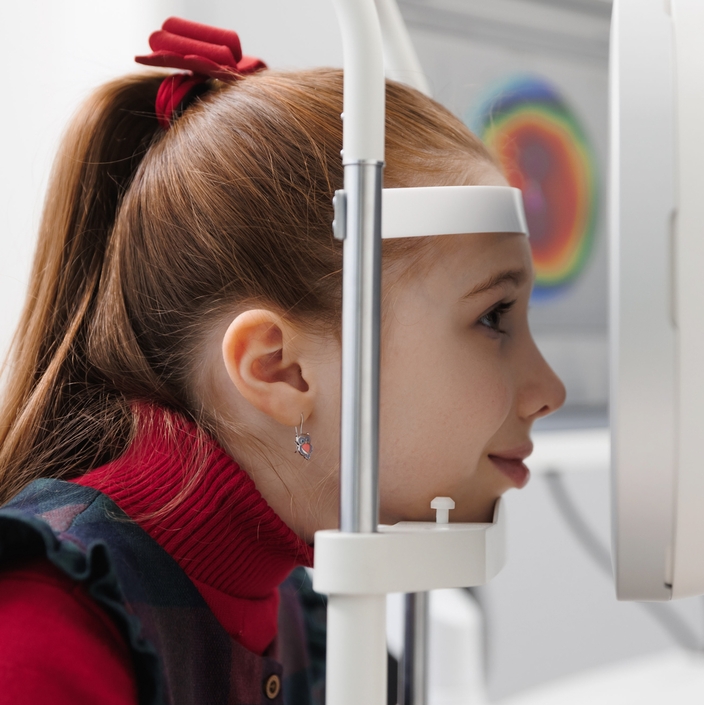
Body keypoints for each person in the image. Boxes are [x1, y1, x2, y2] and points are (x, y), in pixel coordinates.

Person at [0, 16, 565, 705]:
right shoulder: (42, 636)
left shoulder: (303, 610)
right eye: (493, 317)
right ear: (279, 369)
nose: (549, 389)